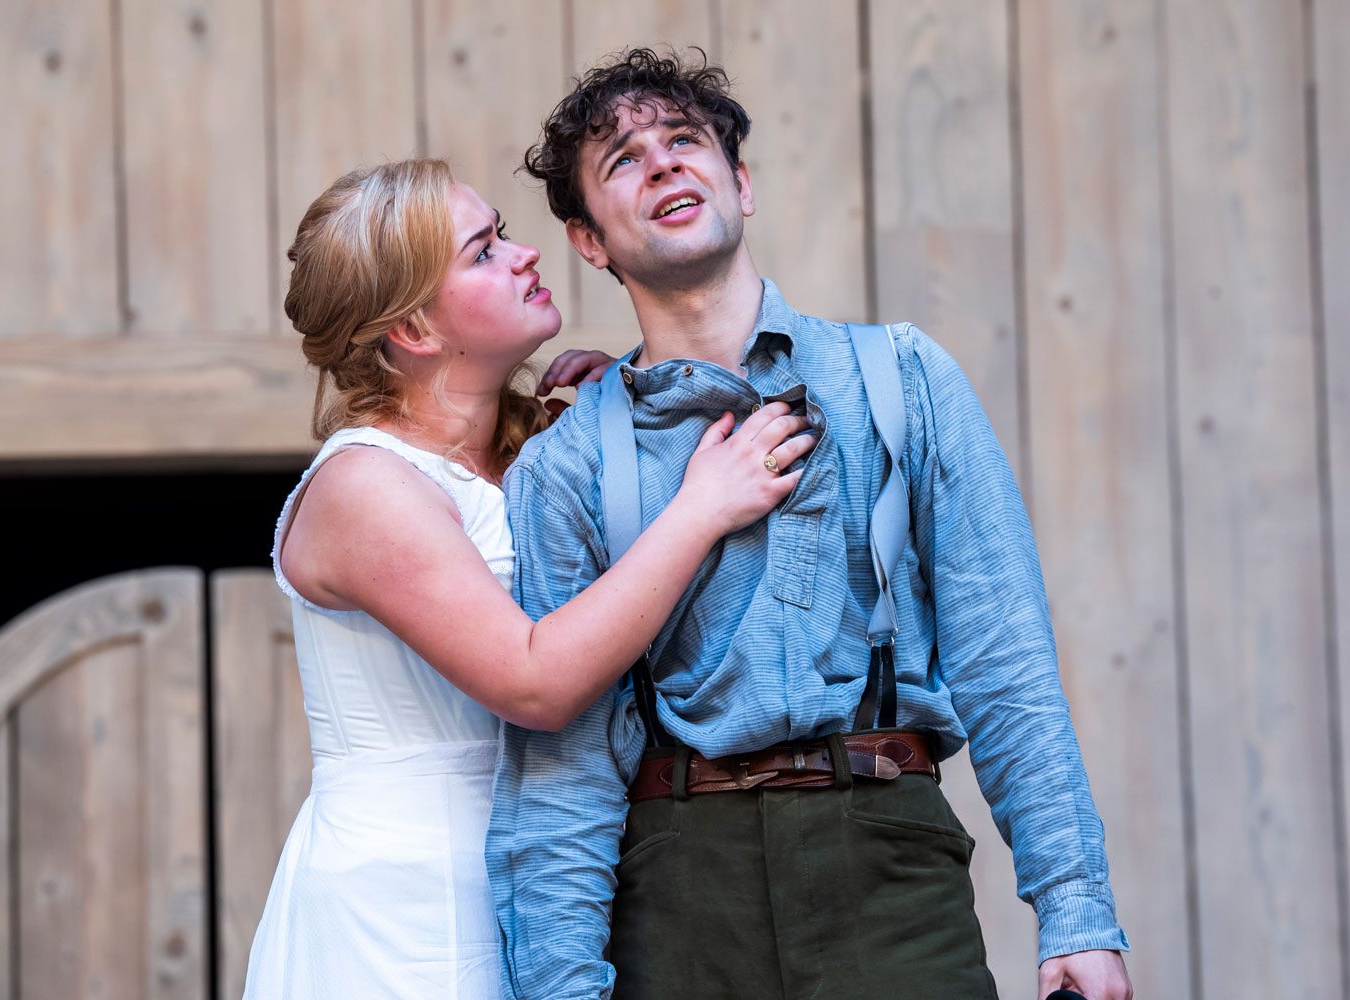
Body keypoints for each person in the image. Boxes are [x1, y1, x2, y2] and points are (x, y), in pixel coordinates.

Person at [487, 49, 1134, 1000]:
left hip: (887, 866)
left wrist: (1074, 906)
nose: (662, 163)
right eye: (622, 159)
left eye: (684, 140)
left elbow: (1007, 662)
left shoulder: (904, 381)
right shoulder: (567, 463)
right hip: (675, 890)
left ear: (740, 183)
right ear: (589, 241)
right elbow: (565, 770)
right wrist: (559, 988)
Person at [242, 157, 814, 999]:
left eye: (502, 234)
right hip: (412, 903)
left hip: (557, 869)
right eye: (482, 253)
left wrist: (611, 429)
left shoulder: (537, 449)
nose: (523, 256)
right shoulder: (365, 487)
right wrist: (699, 507)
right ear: (415, 331)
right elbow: (536, 681)